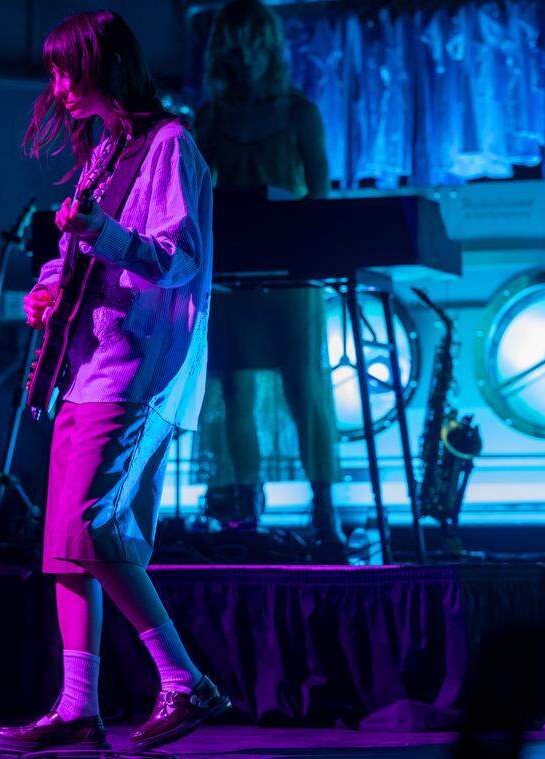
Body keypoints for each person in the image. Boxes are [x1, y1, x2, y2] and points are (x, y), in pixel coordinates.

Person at [0, 11, 227, 754]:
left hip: (133, 369)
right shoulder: (107, 149)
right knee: (66, 545)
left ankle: (184, 679)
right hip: (89, 367)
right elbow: (85, 255)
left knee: (94, 530)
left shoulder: (169, 144)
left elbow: (178, 255)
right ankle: (77, 707)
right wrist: (51, 287)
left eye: (68, 72)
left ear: (105, 67)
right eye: (54, 74)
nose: (58, 88)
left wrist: (99, 234)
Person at [195, 0, 345, 547]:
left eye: (254, 42)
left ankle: (323, 507)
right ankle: (243, 505)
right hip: (234, 275)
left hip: (289, 272)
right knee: (232, 387)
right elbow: (196, 194)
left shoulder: (299, 112)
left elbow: (321, 193)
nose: (246, 55)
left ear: (269, 46)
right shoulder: (211, 119)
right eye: (236, 45)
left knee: (303, 384)